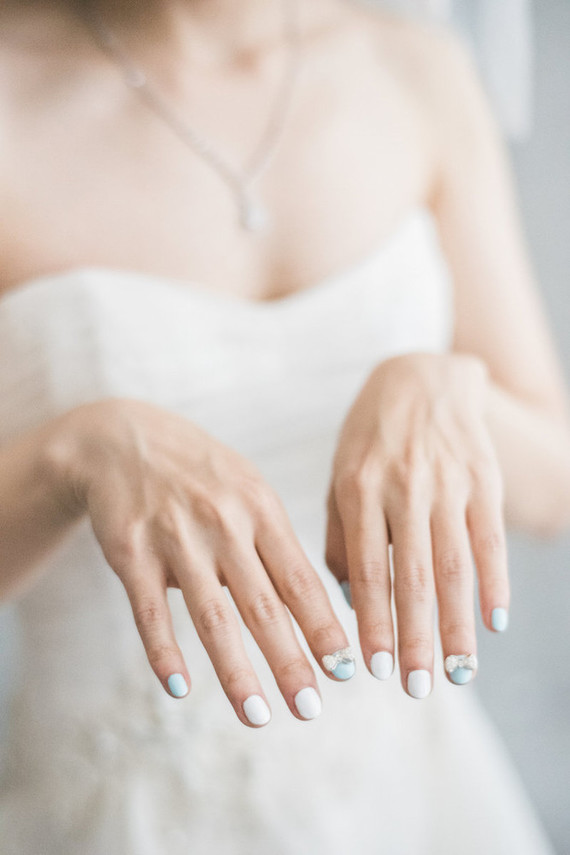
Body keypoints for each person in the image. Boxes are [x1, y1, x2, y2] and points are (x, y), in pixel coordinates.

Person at [1, 0, 568, 852]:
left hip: (414, 800)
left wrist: (454, 390)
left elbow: (556, 487)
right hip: (124, 818)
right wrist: (70, 453)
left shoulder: (416, 71)